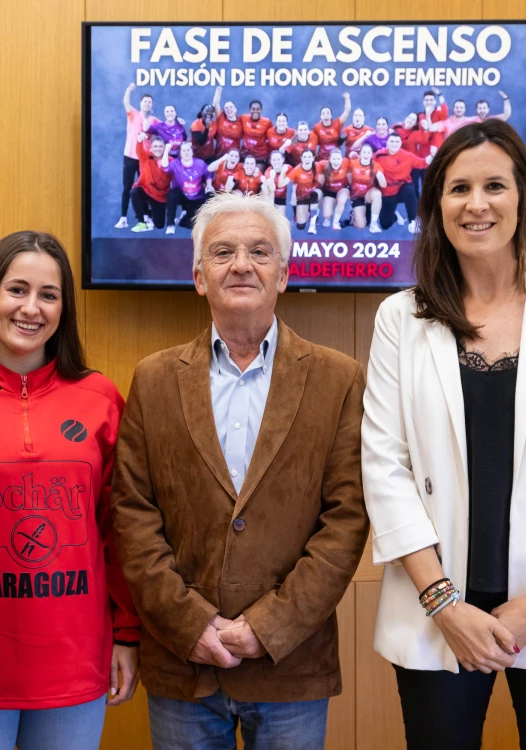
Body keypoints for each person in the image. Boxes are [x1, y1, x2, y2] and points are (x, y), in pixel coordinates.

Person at [111, 192, 368, 750]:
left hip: (291, 663)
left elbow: (347, 521)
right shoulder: (153, 380)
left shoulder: (338, 379)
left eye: (260, 251)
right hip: (185, 664)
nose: (242, 264)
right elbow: (132, 515)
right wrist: (192, 625)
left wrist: (266, 628)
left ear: (283, 273)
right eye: (223, 252)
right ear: (199, 277)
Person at [0, 231, 141, 750]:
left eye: (49, 294)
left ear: (64, 308)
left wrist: (127, 635)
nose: (31, 307)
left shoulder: (100, 397)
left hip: (74, 661)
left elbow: (119, 530)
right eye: (16, 289)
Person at [362, 119, 526, 750]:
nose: (477, 204)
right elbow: (384, 463)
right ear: (436, 207)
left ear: (521, 199)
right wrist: (444, 604)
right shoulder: (401, 318)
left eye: (495, 186)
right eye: (458, 189)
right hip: (438, 611)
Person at [115, 83, 159, 229]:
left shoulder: (154, 120)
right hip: (129, 156)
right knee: (127, 187)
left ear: (152, 105)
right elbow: (126, 102)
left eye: (149, 102)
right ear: (141, 103)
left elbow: (167, 128)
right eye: (145, 101)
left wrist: (178, 122)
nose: (147, 103)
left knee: (145, 189)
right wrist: (129, 89)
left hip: (144, 159)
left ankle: (146, 217)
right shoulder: (133, 113)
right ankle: (123, 219)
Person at [374, 132, 432, 231]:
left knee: (410, 189)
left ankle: (413, 221)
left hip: (402, 189)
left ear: (400, 143)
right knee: (385, 224)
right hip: (387, 193)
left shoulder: (408, 156)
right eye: (392, 141)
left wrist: (433, 155)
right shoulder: (378, 155)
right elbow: (368, 165)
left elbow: (423, 163)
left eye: (397, 141)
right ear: (387, 143)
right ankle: (395, 216)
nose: (394, 144)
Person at [162, 141, 212, 235]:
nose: (186, 152)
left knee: (191, 224)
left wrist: (209, 185)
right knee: (172, 194)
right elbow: (165, 168)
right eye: (183, 150)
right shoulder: (175, 163)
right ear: (180, 153)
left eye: (188, 150)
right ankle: (170, 225)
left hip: (196, 197)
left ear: (192, 152)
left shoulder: (200, 164)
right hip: (181, 195)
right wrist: (166, 150)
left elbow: (208, 175)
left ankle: (184, 216)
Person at [130, 134, 173, 231]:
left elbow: (178, 176)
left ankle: (149, 214)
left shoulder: (170, 160)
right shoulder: (145, 157)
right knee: (134, 192)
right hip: (145, 190)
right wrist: (140, 139)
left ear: (164, 148)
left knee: (159, 225)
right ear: (151, 148)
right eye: (155, 146)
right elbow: (139, 147)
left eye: (160, 146)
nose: (158, 149)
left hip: (160, 196)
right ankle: (141, 222)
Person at [280, 148, 322, 234]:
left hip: (315, 192)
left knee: (315, 196)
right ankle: (308, 212)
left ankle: (312, 225)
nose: (307, 159)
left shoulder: (318, 166)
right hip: (302, 196)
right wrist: (282, 173)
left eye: (309, 157)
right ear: (301, 158)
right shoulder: (296, 170)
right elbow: (282, 184)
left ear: (313, 158)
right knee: (300, 226)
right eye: (305, 157)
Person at [348, 143, 387, 233]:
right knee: (361, 225)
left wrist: (380, 177)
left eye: (368, 152)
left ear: (372, 154)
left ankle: (373, 224)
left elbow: (383, 185)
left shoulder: (376, 165)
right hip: (356, 196)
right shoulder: (353, 163)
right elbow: (348, 176)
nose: (366, 154)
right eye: (364, 152)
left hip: (368, 194)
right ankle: (353, 214)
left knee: (377, 194)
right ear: (360, 154)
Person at [318, 149, 351, 230]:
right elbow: (312, 167)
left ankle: (336, 222)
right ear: (329, 159)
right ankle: (328, 218)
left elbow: (359, 161)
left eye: (338, 159)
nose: (336, 161)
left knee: (342, 200)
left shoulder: (346, 162)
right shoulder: (323, 164)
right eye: (334, 159)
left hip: (343, 188)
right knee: (326, 215)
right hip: (329, 191)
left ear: (342, 159)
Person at [312, 93, 351, 157]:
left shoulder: (337, 123)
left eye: (328, 113)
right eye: (323, 114)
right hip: (321, 158)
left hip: (336, 158)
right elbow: (314, 142)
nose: (326, 115)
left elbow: (347, 111)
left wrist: (347, 98)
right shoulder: (317, 127)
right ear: (320, 117)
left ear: (331, 116)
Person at [239, 100, 272, 165]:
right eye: (253, 109)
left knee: (257, 174)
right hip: (245, 153)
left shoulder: (267, 122)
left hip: (260, 155)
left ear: (261, 110)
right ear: (249, 110)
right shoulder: (243, 118)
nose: (255, 111)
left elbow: (270, 135)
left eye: (258, 109)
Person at [213, 86, 243, 157]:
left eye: (231, 107)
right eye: (226, 108)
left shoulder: (241, 122)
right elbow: (216, 104)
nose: (229, 109)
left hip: (234, 158)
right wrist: (218, 92)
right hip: (219, 155)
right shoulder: (221, 118)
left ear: (235, 109)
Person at [261, 150, 291, 215]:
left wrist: (283, 172)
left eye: (278, 159)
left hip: (284, 197)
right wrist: (271, 177)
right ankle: (269, 210)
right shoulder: (268, 171)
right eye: (274, 160)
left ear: (283, 159)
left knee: (280, 217)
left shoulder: (288, 168)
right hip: (272, 196)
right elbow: (271, 189)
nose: (276, 162)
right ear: (271, 161)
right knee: (264, 187)